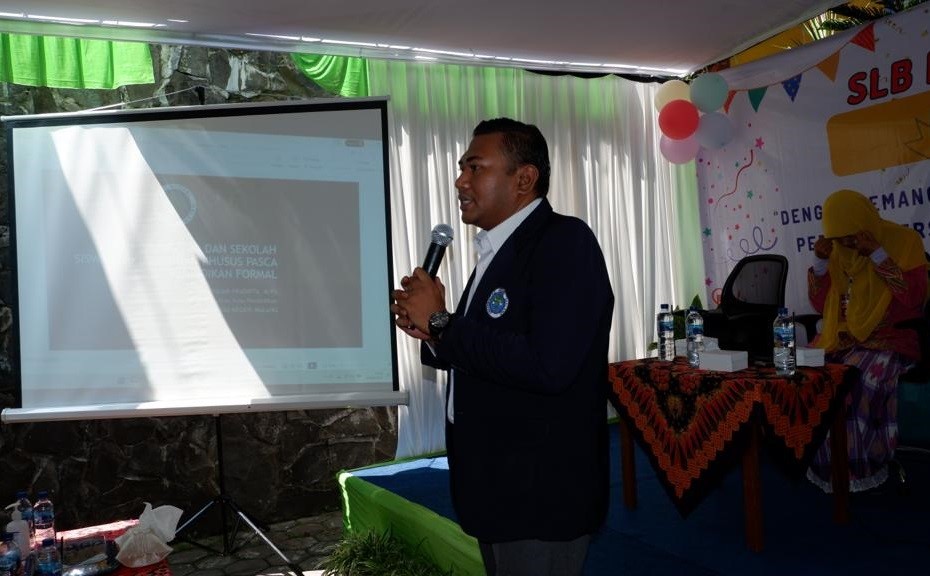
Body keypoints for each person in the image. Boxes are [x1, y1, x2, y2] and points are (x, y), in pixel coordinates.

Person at [390, 118, 614, 575]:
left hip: (540, 494)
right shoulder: (495, 253)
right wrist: (434, 333)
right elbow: (492, 349)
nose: (460, 181)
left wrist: (442, 323)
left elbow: (548, 365)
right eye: (461, 168)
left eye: (475, 167)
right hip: (496, 488)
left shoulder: (564, 242)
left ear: (523, 179)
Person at [807, 189, 928, 493]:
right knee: (813, 379)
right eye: (839, 240)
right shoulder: (838, 253)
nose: (847, 245)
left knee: (853, 383)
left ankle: (861, 466)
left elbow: (914, 298)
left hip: (891, 339)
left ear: (865, 224)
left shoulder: (904, 242)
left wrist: (877, 254)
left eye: (851, 237)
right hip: (844, 339)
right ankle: (826, 465)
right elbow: (820, 304)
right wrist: (820, 263)